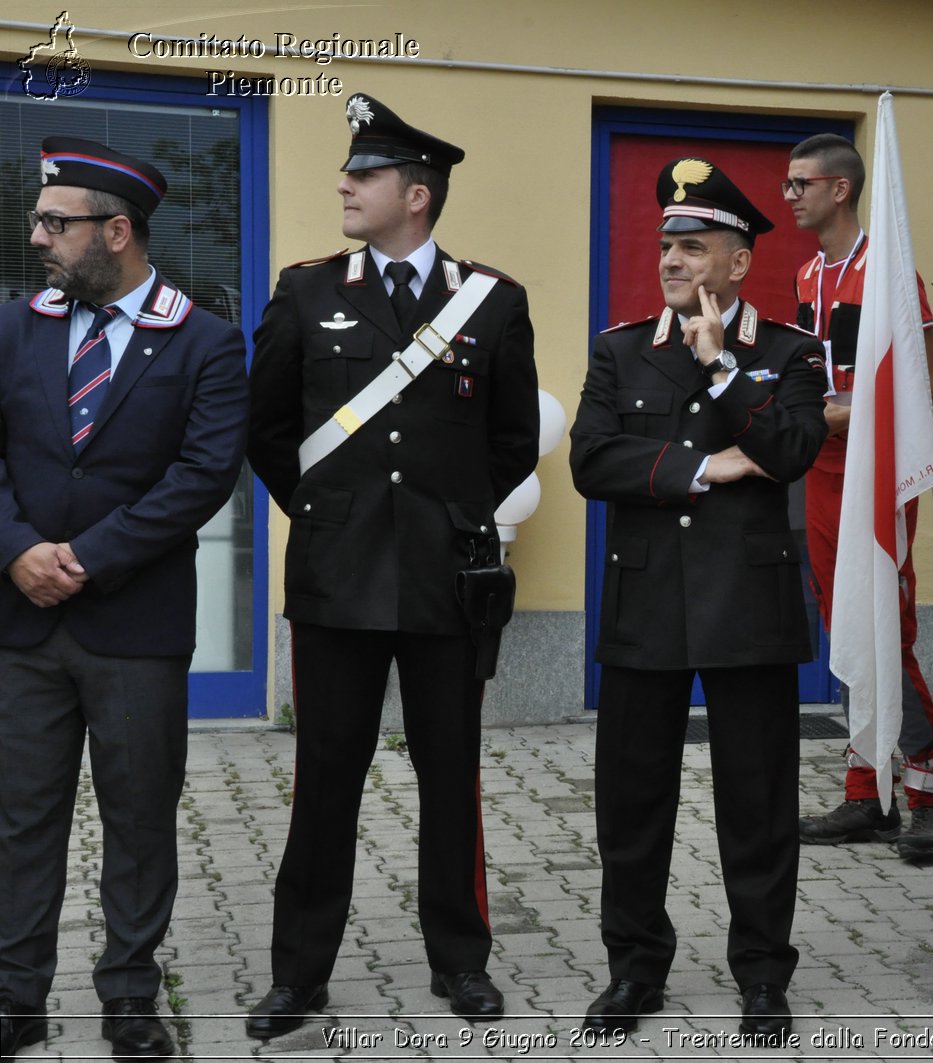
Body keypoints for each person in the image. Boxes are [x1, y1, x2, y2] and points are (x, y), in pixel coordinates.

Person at [244, 94, 540, 1038]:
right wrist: (329, 517)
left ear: (417, 194)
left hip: (448, 582)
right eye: (348, 171)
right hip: (337, 581)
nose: (344, 184)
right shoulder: (306, 290)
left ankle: (461, 962)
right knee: (326, 777)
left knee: (451, 777)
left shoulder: (492, 301)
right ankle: (299, 974)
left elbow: (512, 441)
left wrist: (453, 520)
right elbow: (269, 431)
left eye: (363, 175)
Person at [0, 138, 249, 1060]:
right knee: (20, 819)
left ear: (116, 231)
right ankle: (15, 995)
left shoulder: (206, 342)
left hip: (135, 629)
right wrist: (20, 550)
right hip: (23, 624)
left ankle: (132, 998)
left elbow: (201, 476)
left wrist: (87, 558)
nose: (38, 239)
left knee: (139, 820)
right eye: (39, 221)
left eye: (55, 224)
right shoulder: (13, 326)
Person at [569, 157, 827, 1041]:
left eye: (692, 246)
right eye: (667, 245)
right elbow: (590, 462)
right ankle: (634, 968)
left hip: (748, 612)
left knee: (756, 807)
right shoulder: (620, 348)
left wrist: (722, 368)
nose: (672, 260)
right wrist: (705, 466)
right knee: (632, 806)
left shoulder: (790, 352)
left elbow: (791, 448)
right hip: (646, 608)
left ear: (739, 260)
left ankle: (762, 973)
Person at [783, 133, 933, 861]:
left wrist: (853, 411)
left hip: (876, 470)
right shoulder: (804, 273)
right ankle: (868, 790)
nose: (789, 195)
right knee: (842, 619)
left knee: (887, 622)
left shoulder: (889, 273)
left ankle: (931, 784)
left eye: (801, 184)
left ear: (841, 189)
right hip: (816, 467)